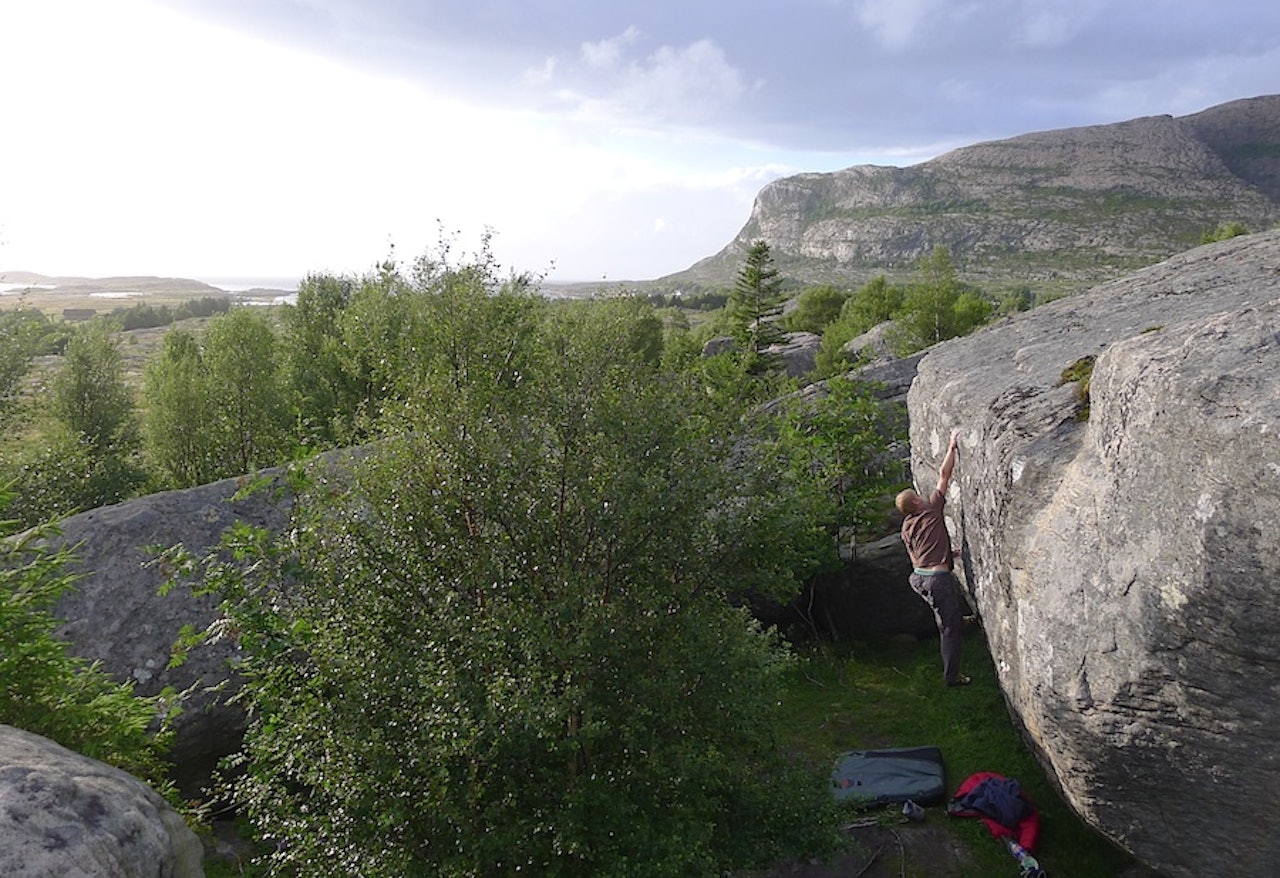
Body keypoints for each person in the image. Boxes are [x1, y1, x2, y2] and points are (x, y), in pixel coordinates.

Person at [896, 428, 971, 687]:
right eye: (917, 496)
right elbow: (944, 475)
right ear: (917, 503)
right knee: (950, 629)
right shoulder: (930, 509)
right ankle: (953, 677)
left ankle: (954, 617)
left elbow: (918, 550)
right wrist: (951, 445)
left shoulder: (906, 527)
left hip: (918, 579)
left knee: (944, 611)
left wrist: (947, 554)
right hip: (936, 580)